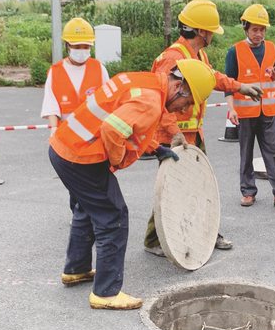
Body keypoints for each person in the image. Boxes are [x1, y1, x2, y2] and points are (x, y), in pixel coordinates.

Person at [48, 59, 216, 310]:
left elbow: (128, 125)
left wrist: (156, 148)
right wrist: (117, 161)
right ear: (179, 85)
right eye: (188, 102)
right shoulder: (151, 101)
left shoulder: (144, 82)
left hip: (66, 147)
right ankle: (105, 293)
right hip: (82, 158)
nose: (183, 109)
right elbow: (113, 131)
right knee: (113, 215)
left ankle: (76, 269)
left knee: (86, 208)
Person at [143, 0, 263, 257]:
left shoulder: (197, 55)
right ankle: (155, 240)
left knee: (202, 185)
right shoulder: (172, 58)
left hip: (193, 133)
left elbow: (212, 77)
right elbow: (160, 100)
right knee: (172, 188)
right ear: (202, 32)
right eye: (211, 31)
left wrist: (238, 86)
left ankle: (205, 231)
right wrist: (174, 132)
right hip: (172, 135)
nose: (212, 35)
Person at [225, 4, 275, 208]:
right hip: (245, 112)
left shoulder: (272, 48)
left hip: (268, 111)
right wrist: (231, 109)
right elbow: (229, 85)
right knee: (246, 153)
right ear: (245, 28)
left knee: (274, 152)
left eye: (262, 29)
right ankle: (248, 192)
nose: (259, 34)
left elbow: (270, 77)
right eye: (255, 29)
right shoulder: (235, 52)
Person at [41, 18, 109, 136]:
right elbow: (51, 104)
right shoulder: (56, 71)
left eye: (86, 47)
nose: (82, 50)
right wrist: (54, 128)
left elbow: (108, 101)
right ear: (68, 46)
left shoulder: (99, 68)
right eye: (77, 47)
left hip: (94, 133)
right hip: (66, 133)